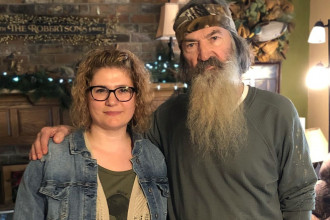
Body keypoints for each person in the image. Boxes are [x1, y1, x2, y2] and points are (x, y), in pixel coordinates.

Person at [29, 0, 317, 219]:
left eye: (214, 37)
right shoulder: (167, 117)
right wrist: (69, 135)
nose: (204, 55)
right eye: (191, 45)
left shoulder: (278, 112)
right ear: (183, 54)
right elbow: (113, 135)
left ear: (235, 42)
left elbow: (299, 195)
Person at [14, 48, 168, 220]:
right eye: (101, 90)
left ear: (136, 97)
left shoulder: (155, 158)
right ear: (85, 96)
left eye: (123, 90)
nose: (112, 101)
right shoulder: (50, 156)